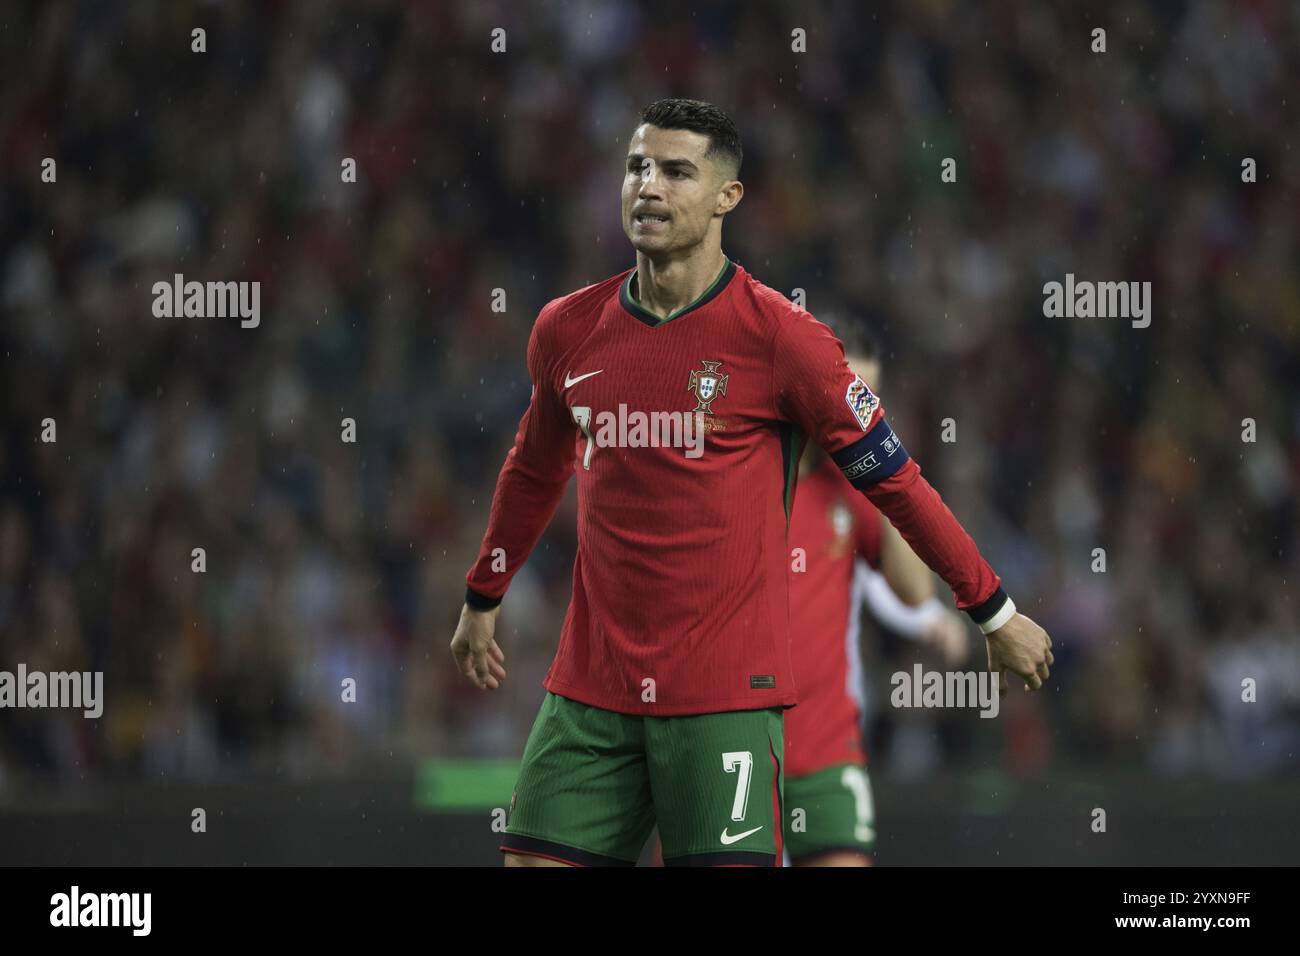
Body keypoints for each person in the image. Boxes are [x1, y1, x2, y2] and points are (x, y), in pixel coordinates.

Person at [450, 97, 1053, 867]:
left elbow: (895, 479)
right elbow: (535, 468)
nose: (648, 187)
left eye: (676, 172)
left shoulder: (785, 343)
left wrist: (993, 611)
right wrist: (483, 596)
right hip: (590, 692)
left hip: (721, 702)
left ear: (727, 197)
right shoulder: (567, 329)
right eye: (637, 167)